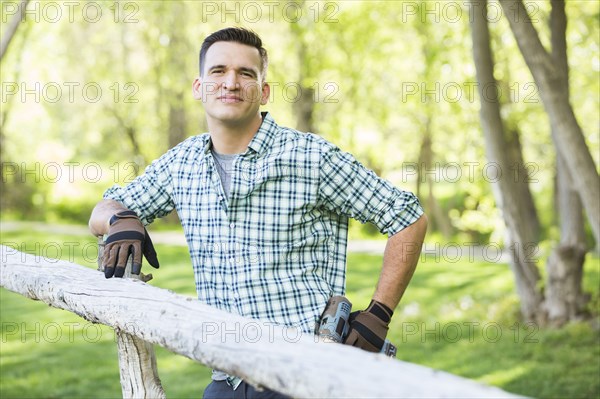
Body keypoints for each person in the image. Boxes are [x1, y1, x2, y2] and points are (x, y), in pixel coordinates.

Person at [89, 27, 427, 399]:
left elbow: (407, 215)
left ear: (263, 91)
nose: (231, 83)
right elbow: (103, 209)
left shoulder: (310, 157)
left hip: (307, 375)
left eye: (246, 73)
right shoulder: (181, 163)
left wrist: (379, 313)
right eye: (218, 71)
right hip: (227, 378)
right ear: (199, 87)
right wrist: (121, 220)